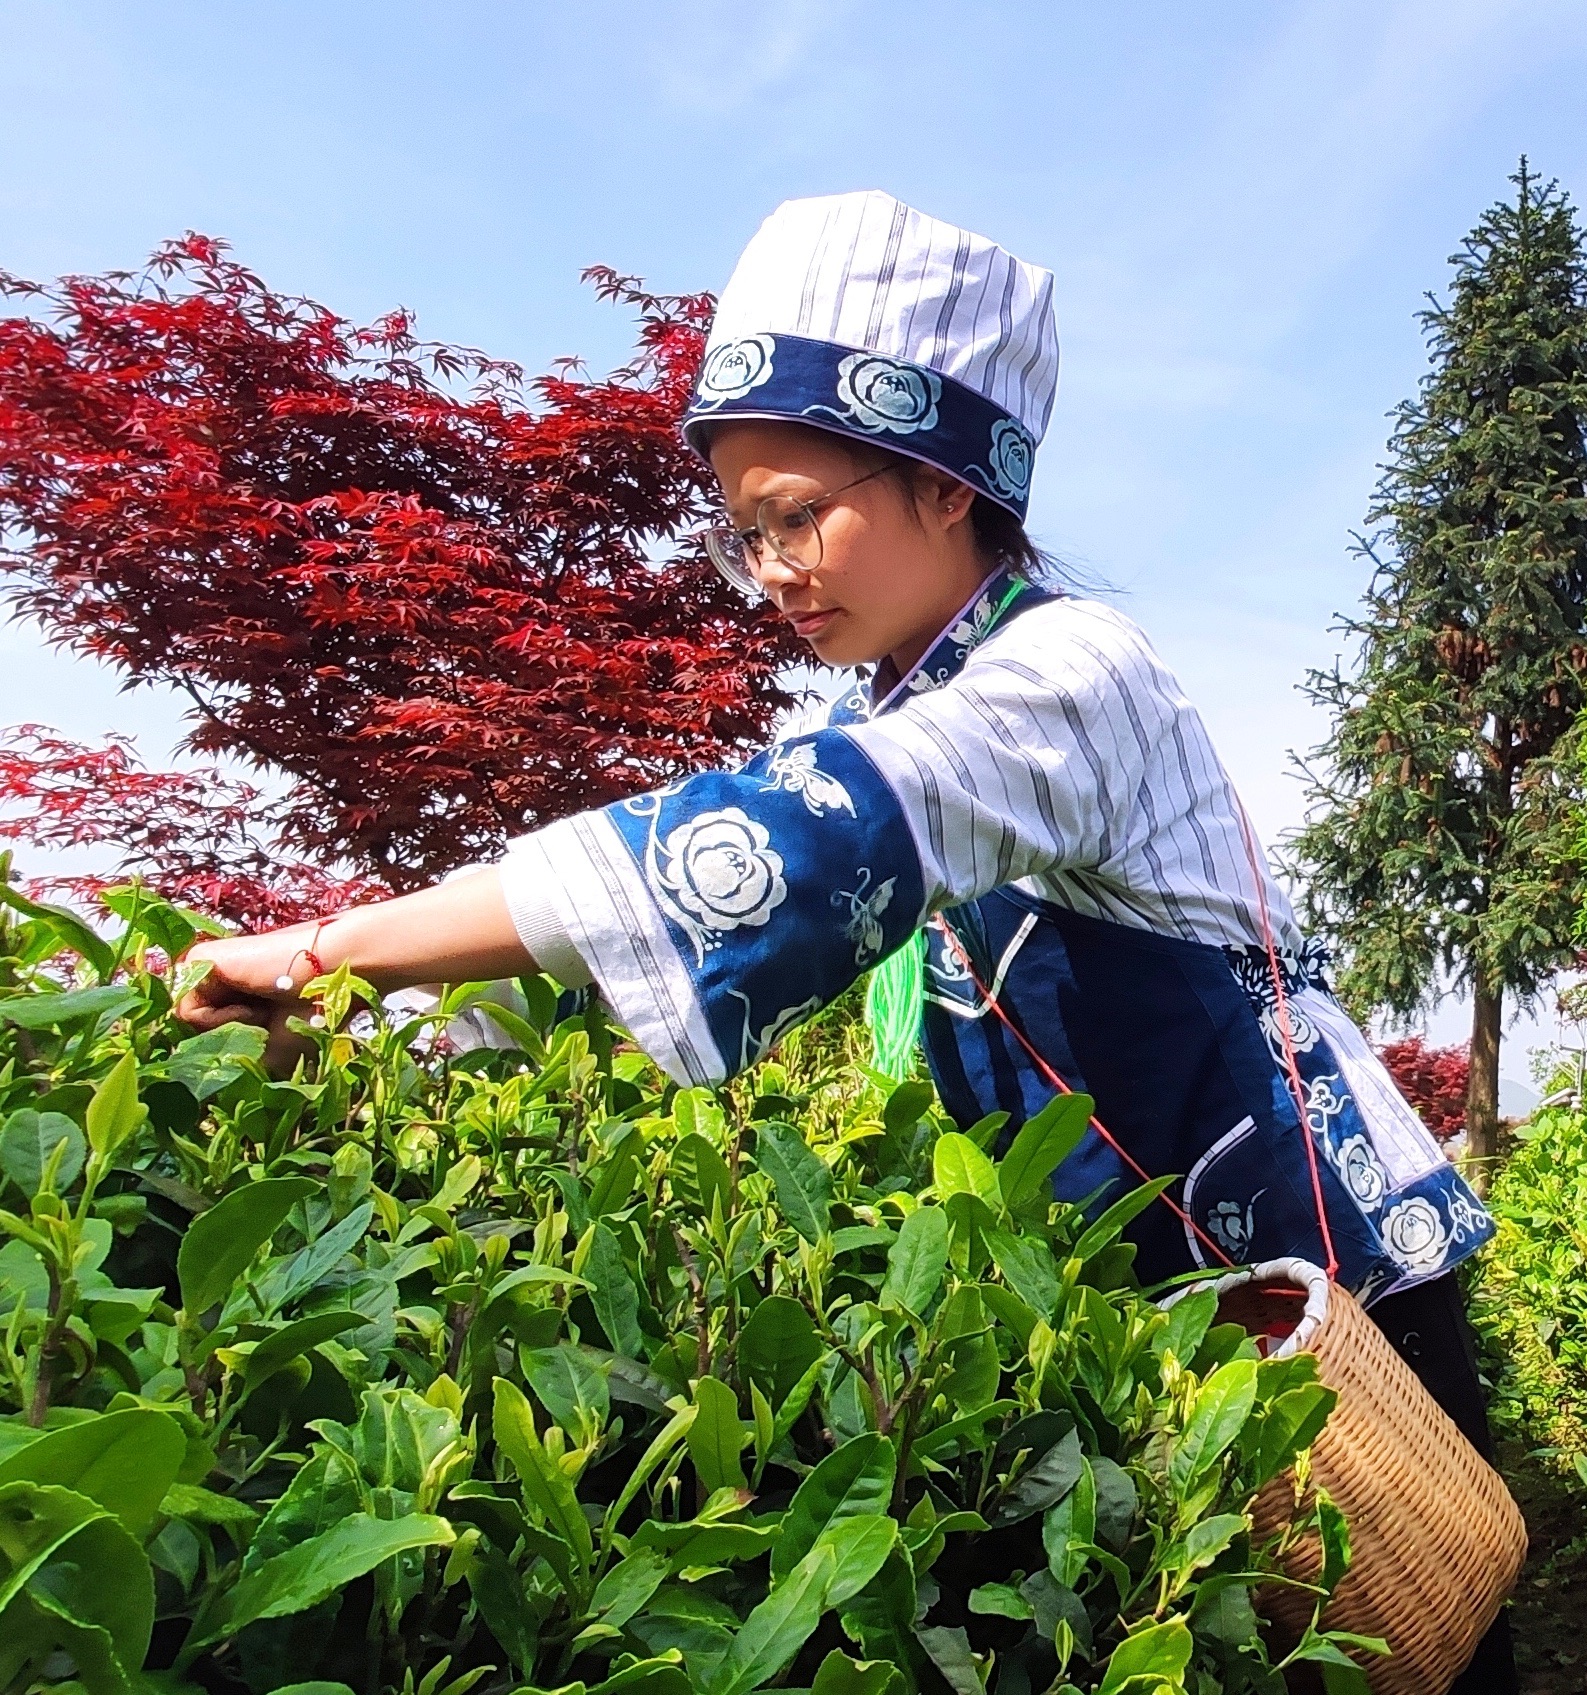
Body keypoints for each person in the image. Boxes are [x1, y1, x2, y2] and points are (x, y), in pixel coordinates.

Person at [178, 190, 1518, 1690]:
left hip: (1324, 1275)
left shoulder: (1072, 672)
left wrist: (338, 946)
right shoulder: (894, 706)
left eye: (800, 514)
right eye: (743, 532)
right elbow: (680, 956)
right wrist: (404, 1042)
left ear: (949, 483)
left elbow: (785, 852)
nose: (769, 569)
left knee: (1429, 1641)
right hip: (1170, 1307)